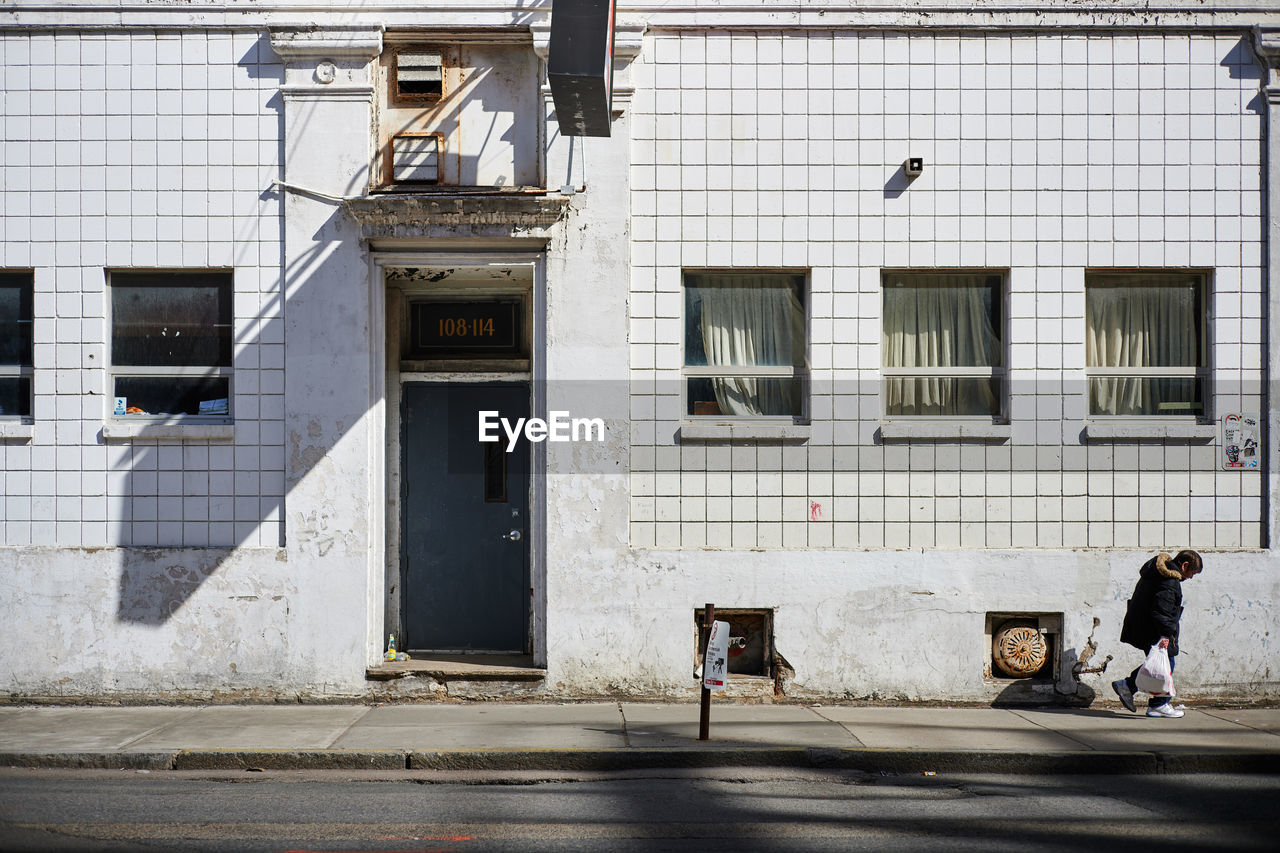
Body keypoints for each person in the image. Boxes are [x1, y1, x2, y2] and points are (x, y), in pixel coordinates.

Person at [1112, 549, 1203, 718]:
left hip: (1145, 626)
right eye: (1192, 572)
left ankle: (1134, 690)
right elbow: (1161, 612)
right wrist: (1166, 635)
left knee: (1159, 665)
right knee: (1164, 666)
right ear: (1184, 565)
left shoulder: (1158, 573)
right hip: (1154, 629)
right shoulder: (1169, 581)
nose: (1191, 577)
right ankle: (1154, 702)